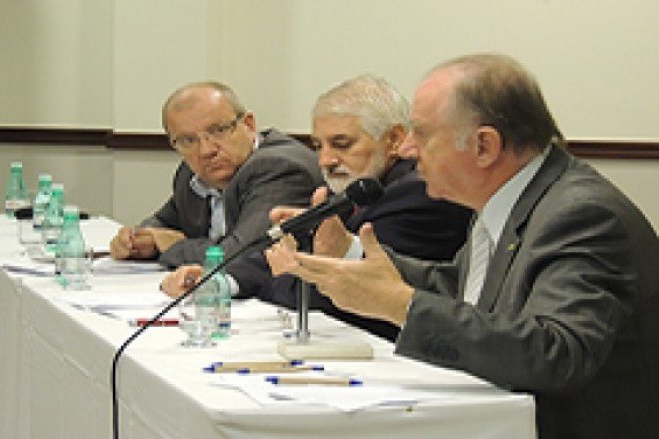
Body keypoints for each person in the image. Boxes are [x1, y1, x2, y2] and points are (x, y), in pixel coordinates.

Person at [274, 54, 659, 438]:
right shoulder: (512, 198)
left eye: (421, 133)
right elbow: (463, 289)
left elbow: (556, 353)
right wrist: (352, 255)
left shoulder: (581, 215)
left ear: (484, 147)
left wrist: (398, 304)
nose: (407, 149)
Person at [160, 75, 472, 341]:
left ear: (392, 139)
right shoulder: (359, 188)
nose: (325, 161)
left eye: (342, 144)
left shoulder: (417, 195)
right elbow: (282, 249)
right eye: (319, 146)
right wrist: (219, 282)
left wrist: (292, 270)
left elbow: (335, 294)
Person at [109, 81, 323, 267]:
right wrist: (136, 240)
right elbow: (162, 221)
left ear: (248, 125)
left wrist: (173, 246)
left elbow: (242, 255)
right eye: (188, 140)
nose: (206, 150)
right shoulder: (192, 173)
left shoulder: (279, 168)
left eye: (218, 131)